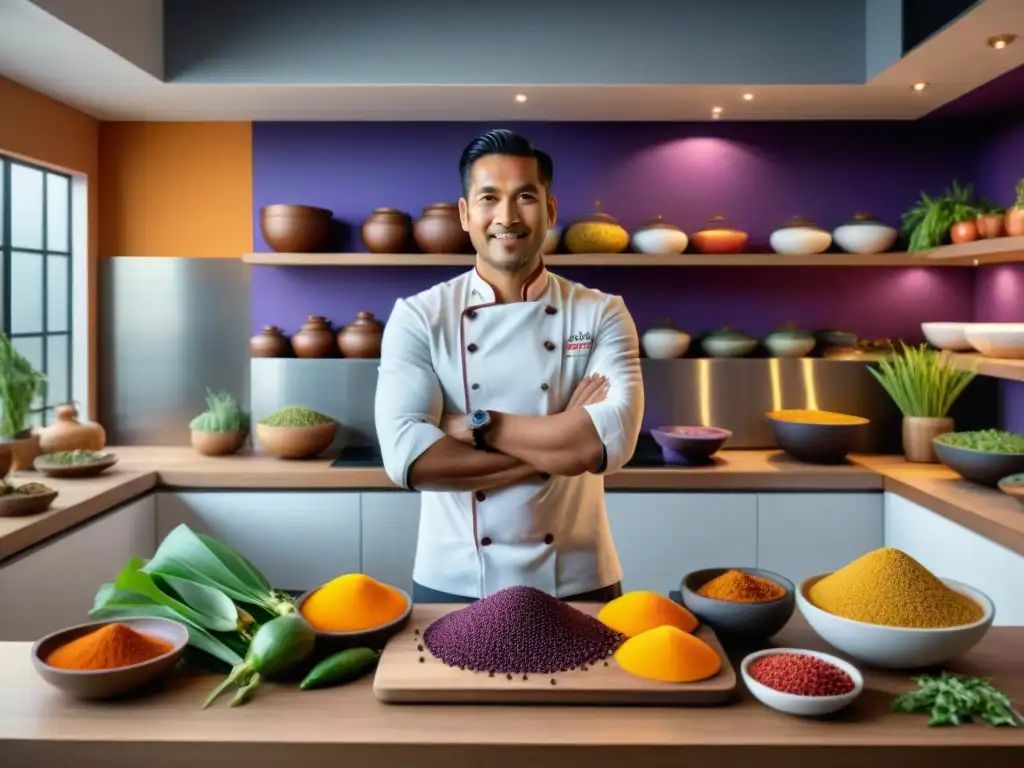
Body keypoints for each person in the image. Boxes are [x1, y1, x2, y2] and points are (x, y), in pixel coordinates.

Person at [374, 128, 644, 604]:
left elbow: (607, 445)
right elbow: (410, 461)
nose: (507, 216)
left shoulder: (601, 312)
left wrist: (478, 425)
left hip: (579, 579)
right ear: (464, 214)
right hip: (453, 580)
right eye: (489, 198)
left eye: (525, 196)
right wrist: (561, 438)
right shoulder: (419, 316)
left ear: (551, 209)